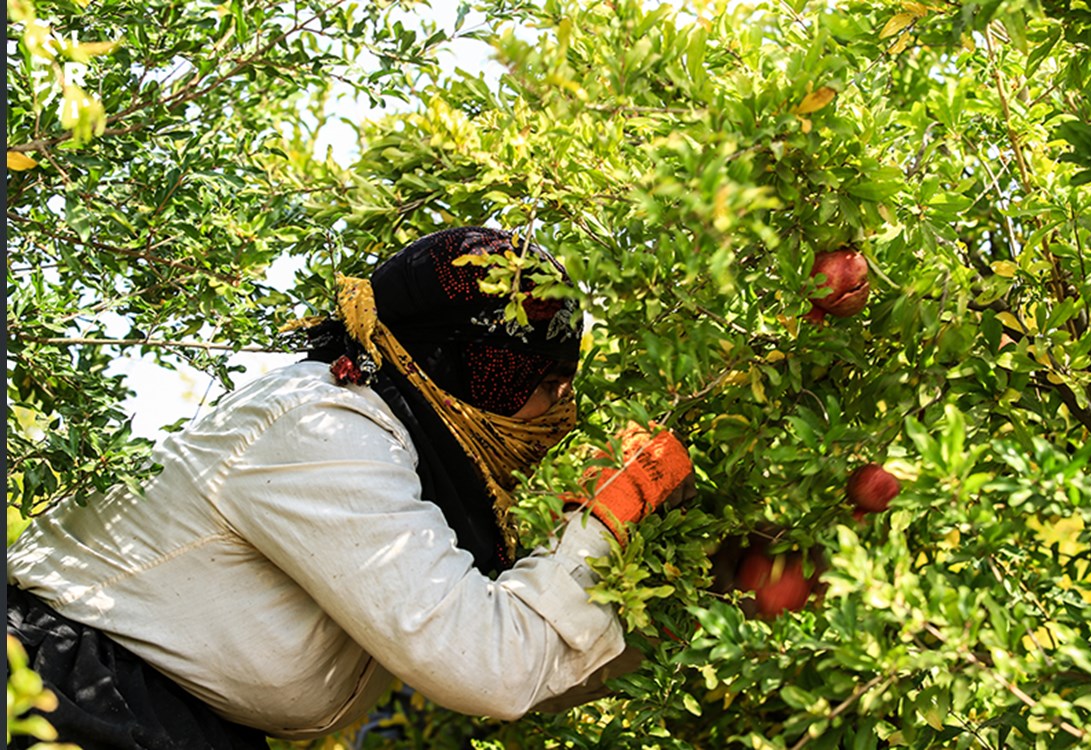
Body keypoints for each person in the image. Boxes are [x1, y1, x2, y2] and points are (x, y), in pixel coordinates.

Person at [7, 227, 695, 749]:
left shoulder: (391, 454)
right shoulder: (328, 427)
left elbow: (523, 664)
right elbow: (488, 665)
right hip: (68, 689)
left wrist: (676, 617)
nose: (558, 416)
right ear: (478, 375)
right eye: (547, 390)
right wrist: (605, 517)